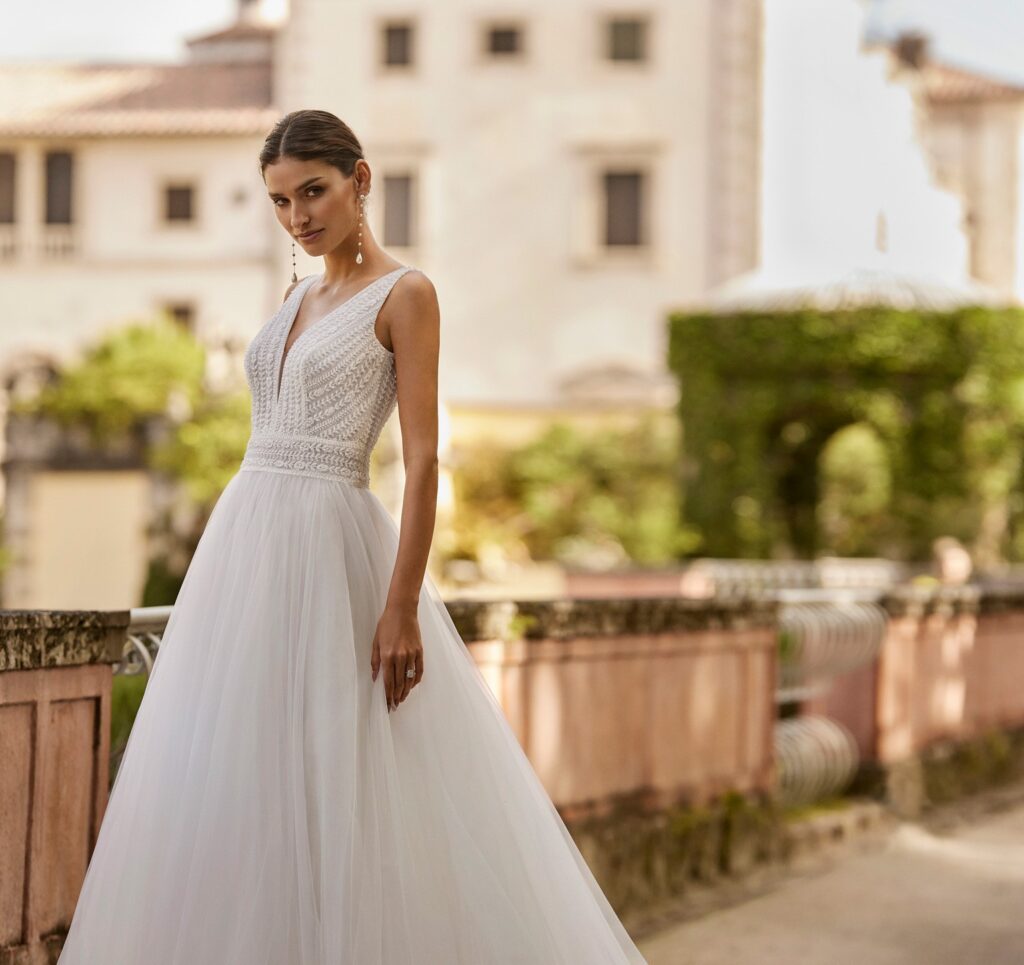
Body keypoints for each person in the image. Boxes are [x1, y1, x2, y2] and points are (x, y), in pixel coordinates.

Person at [58, 109, 647, 965]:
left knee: (338, 767)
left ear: (360, 180)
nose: (298, 215)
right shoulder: (297, 295)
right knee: (234, 776)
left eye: (313, 191)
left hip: (332, 542)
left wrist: (401, 602)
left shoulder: (407, 295)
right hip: (245, 541)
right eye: (280, 201)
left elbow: (423, 455)